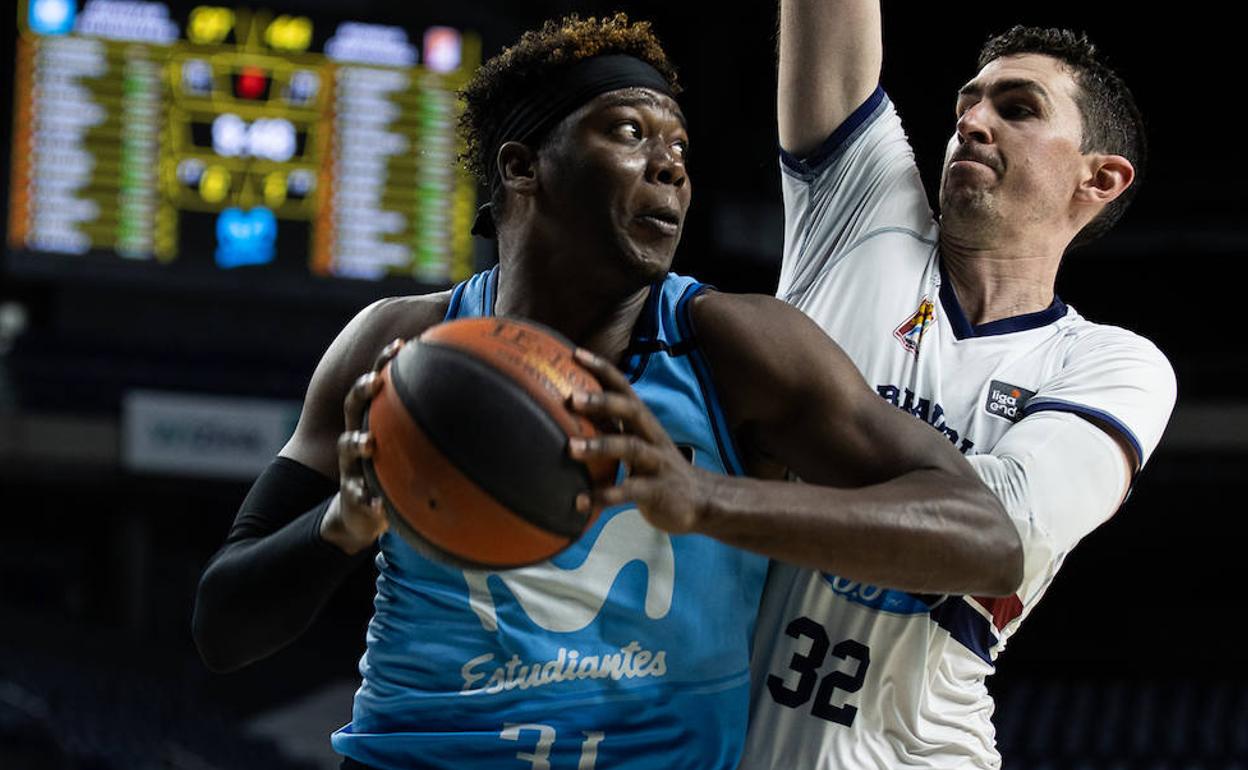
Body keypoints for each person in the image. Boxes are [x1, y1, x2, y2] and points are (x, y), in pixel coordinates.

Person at [192, 14, 1021, 770]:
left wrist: (704, 499)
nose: (669, 166)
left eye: (681, 150)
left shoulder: (735, 346)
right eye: (629, 132)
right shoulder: (398, 345)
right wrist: (342, 524)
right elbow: (222, 628)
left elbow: (986, 540)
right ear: (522, 167)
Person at [742, 2, 1178, 768]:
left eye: (1016, 109)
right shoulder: (863, 213)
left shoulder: (1112, 365)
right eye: (966, 105)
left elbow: (997, 532)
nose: (972, 122)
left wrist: (774, 445)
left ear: (1099, 177)